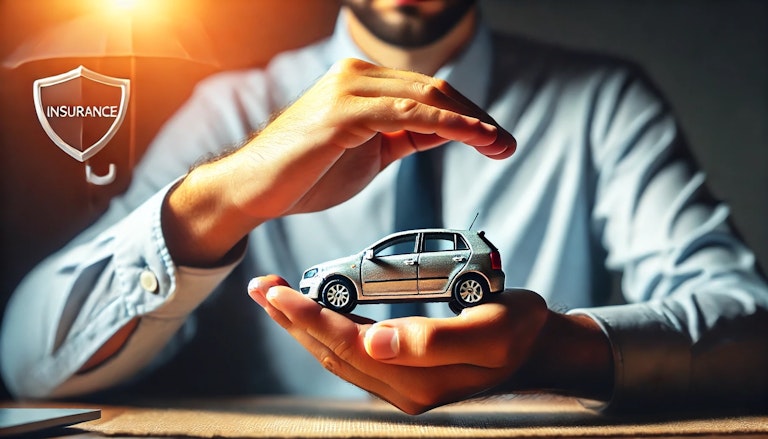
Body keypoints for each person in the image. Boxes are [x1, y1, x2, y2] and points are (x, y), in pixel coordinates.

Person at [2, 0, 767, 415]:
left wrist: (557, 349)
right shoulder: (231, 113)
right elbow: (26, 360)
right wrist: (218, 200)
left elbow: (751, 321)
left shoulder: (603, 103)